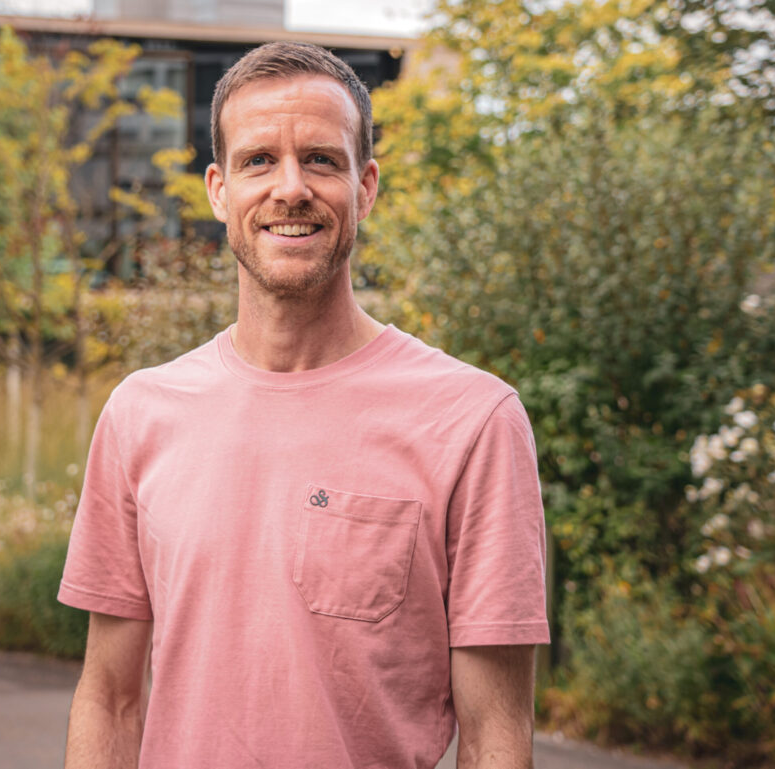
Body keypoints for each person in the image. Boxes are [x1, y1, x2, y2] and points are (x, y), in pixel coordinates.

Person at [59, 41, 549, 769]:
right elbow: (110, 697)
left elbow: (496, 735)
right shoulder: (140, 413)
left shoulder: (473, 421)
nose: (291, 188)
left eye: (322, 159)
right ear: (219, 190)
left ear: (367, 186)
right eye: (260, 161)